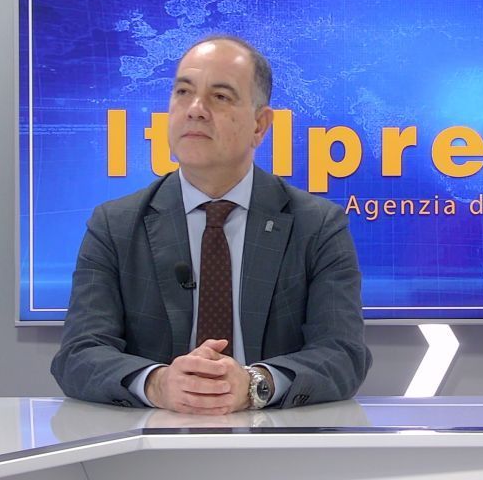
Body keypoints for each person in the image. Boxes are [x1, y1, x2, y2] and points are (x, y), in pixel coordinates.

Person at [51, 35, 371, 414]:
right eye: (183, 92)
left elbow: (343, 354)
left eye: (220, 96)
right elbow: (78, 354)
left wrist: (254, 384)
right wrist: (158, 384)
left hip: (273, 439)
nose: (195, 110)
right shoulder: (114, 226)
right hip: (152, 439)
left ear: (260, 125)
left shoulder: (317, 226)